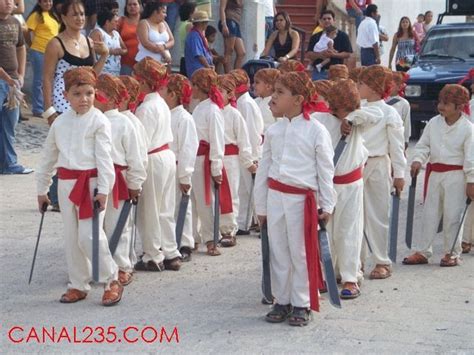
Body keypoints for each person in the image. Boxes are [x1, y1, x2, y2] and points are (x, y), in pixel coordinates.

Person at [36, 67, 123, 306]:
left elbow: (106, 159)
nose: (84, 99)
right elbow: (47, 157)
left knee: (89, 235)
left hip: (92, 185)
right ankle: (78, 283)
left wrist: (104, 189)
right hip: (66, 184)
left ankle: (111, 278)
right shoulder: (60, 123)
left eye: (89, 93)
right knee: (72, 236)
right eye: (77, 94)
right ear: (65, 96)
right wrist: (42, 190)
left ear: (95, 93)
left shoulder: (100, 121)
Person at [254, 71, 336, 326]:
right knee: (278, 249)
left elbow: (325, 170)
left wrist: (328, 203)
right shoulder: (274, 131)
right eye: (274, 91)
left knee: (300, 251)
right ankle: (282, 299)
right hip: (276, 197)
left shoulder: (316, 130)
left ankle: (301, 303)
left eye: (280, 93)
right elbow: (264, 170)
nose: (273, 97)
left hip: (302, 200)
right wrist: (261, 205)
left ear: (299, 99)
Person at [316, 79, 382, 299]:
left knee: (348, 230)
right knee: (326, 231)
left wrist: (352, 118)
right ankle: (327, 273)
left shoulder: (358, 122)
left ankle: (350, 277)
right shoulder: (320, 121)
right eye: (342, 108)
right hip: (326, 186)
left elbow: (375, 116)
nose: (344, 113)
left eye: (350, 108)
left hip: (351, 185)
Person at [42, 0, 109, 211]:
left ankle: (66, 195)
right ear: (64, 18)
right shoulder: (55, 44)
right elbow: (46, 78)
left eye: (82, 14)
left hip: (83, 103)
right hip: (62, 104)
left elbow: (90, 77)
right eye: (74, 14)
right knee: (63, 149)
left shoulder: (89, 43)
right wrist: (48, 110)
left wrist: (105, 55)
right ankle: (56, 195)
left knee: (81, 148)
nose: (79, 18)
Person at [403, 84, 473, 267]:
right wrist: (418, 160)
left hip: (456, 176)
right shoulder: (434, 123)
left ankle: (452, 252)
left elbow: (471, 158)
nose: (441, 106)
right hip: (435, 174)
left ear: (459, 106)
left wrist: (471, 181)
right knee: (430, 213)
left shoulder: (468, 128)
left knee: (453, 215)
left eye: (447, 103)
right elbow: (423, 145)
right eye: (440, 102)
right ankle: (423, 251)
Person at [94, 73, 147, 286]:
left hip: (120, 177)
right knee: (98, 226)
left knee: (120, 224)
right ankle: (102, 265)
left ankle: (123, 265)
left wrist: (135, 183)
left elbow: (136, 156)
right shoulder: (94, 120)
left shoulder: (125, 123)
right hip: (97, 177)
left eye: (96, 95)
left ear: (107, 97)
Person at [132, 57, 182, 272]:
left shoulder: (146, 108)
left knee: (149, 209)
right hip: (166, 155)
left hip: (153, 157)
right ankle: (171, 251)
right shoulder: (161, 103)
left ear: (143, 81)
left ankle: (152, 255)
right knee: (165, 208)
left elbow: (141, 142)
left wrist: (135, 171)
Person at [358, 65, 406, 280]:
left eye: (362, 84)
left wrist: (399, 174)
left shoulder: (390, 113)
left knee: (377, 214)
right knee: (353, 215)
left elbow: (396, 146)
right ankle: (354, 262)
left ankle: (381, 260)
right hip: (355, 165)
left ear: (375, 88)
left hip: (377, 163)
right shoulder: (356, 108)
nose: (357, 87)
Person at [158, 73, 199, 262]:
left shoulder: (184, 118)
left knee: (181, 207)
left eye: (163, 90)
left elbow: (188, 149)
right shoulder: (165, 114)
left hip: (177, 168)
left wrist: (185, 176)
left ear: (173, 94)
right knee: (164, 207)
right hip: (165, 168)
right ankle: (165, 242)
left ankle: (184, 242)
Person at [189, 68, 226, 256]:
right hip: (193, 158)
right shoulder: (199, 107)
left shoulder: (212, 110)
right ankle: (193, 237)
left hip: (204, 159)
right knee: (193, 201)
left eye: (194, 85)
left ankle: (212, 238)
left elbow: (217, 140)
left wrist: (216, 165)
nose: (191, 88)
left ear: (201, 87)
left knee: (206, 200)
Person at [217, 74, 256, 247]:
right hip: (213, 157)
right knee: (212, 195)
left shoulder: (234, 114)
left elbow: (243, 140)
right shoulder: (212, 111)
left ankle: (229, 230)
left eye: (221, 91)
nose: (217, 94)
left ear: (230, 93)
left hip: (230, 158)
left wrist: (248, 162)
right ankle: (212, 229)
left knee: (231, 193)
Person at [229, 69, 264, 234]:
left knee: (252, 189)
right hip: (244, 151)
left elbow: (251, 132)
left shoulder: (245, 104)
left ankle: (261, 221)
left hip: (248, 151)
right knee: (243, 189)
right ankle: (243, 222)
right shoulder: (241, 102)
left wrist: (252, 157)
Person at [0, 0, 32, 175]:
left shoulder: (15, 22)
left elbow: (21, 48)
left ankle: (9, 163)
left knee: (9, 124)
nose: (9, 3)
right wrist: (7, 78)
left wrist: (20, 74)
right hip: (4, 81)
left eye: (11, 0)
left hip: (13, 82)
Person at [25, 0, 60, 117]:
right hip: (39, 50)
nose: (48, 4)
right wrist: (30, 44)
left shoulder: (53, 15)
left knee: (51, 80)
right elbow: (26, 30)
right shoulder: (36, 16)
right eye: (45, 1)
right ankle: (38, 108)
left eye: (50, 1)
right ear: (39, 3)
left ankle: (49, 106)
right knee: (39, 80)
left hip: (52, 53)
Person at [306, 10, 352, 80]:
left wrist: (333, 55)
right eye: (324, 19)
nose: (327, 20)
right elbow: (309, 54)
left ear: (334, 20)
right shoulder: (315, 36)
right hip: (319, 73)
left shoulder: (343, 36)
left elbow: (348, 54)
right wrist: (320, 55)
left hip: (337, 72)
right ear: (320, 21)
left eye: (329, 18)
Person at [90, 9, 127, 75]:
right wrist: (112, 51)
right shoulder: (97, 32)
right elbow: (95, 49)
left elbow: (125, 50)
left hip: (116, 71)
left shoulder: (116, 34)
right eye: (115, 21)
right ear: (107, 22)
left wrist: (120, 51)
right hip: (102, 71)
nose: (117, 23)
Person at [184, 10, 213, 78]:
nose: (207, 24)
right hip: (198, 71)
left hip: (202, 70)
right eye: (206, 22)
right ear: (201, 23)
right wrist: (208, 67)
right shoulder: (194, 36)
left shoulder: (198, 35)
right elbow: (199, 55)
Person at [219, 0, 245, 72]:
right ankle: (228, 77)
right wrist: (224, 24)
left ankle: (235, 76)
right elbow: (222, 8)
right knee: (229, 51)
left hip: (236, 23)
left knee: (241, 53)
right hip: (229, 21)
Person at [387, 71, 411, 149]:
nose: (388, 87)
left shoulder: (404, 104)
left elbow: (406, 122)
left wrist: (406, 139)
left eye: (391, 85)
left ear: (399, 87)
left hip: (396, 139)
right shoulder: (380, 100)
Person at [117, 0, 142, 75]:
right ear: (126, 7)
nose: (132, 7)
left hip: (142, 62)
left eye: (135, 4)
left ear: (140, 6)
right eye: (129, 5)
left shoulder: (145, 21)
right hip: (126, 61)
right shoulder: (121, 21)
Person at [177, 1, 195, 74]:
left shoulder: (183, 24)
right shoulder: (189, 25)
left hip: (184, 58)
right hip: (189, 59)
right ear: (191, 14)